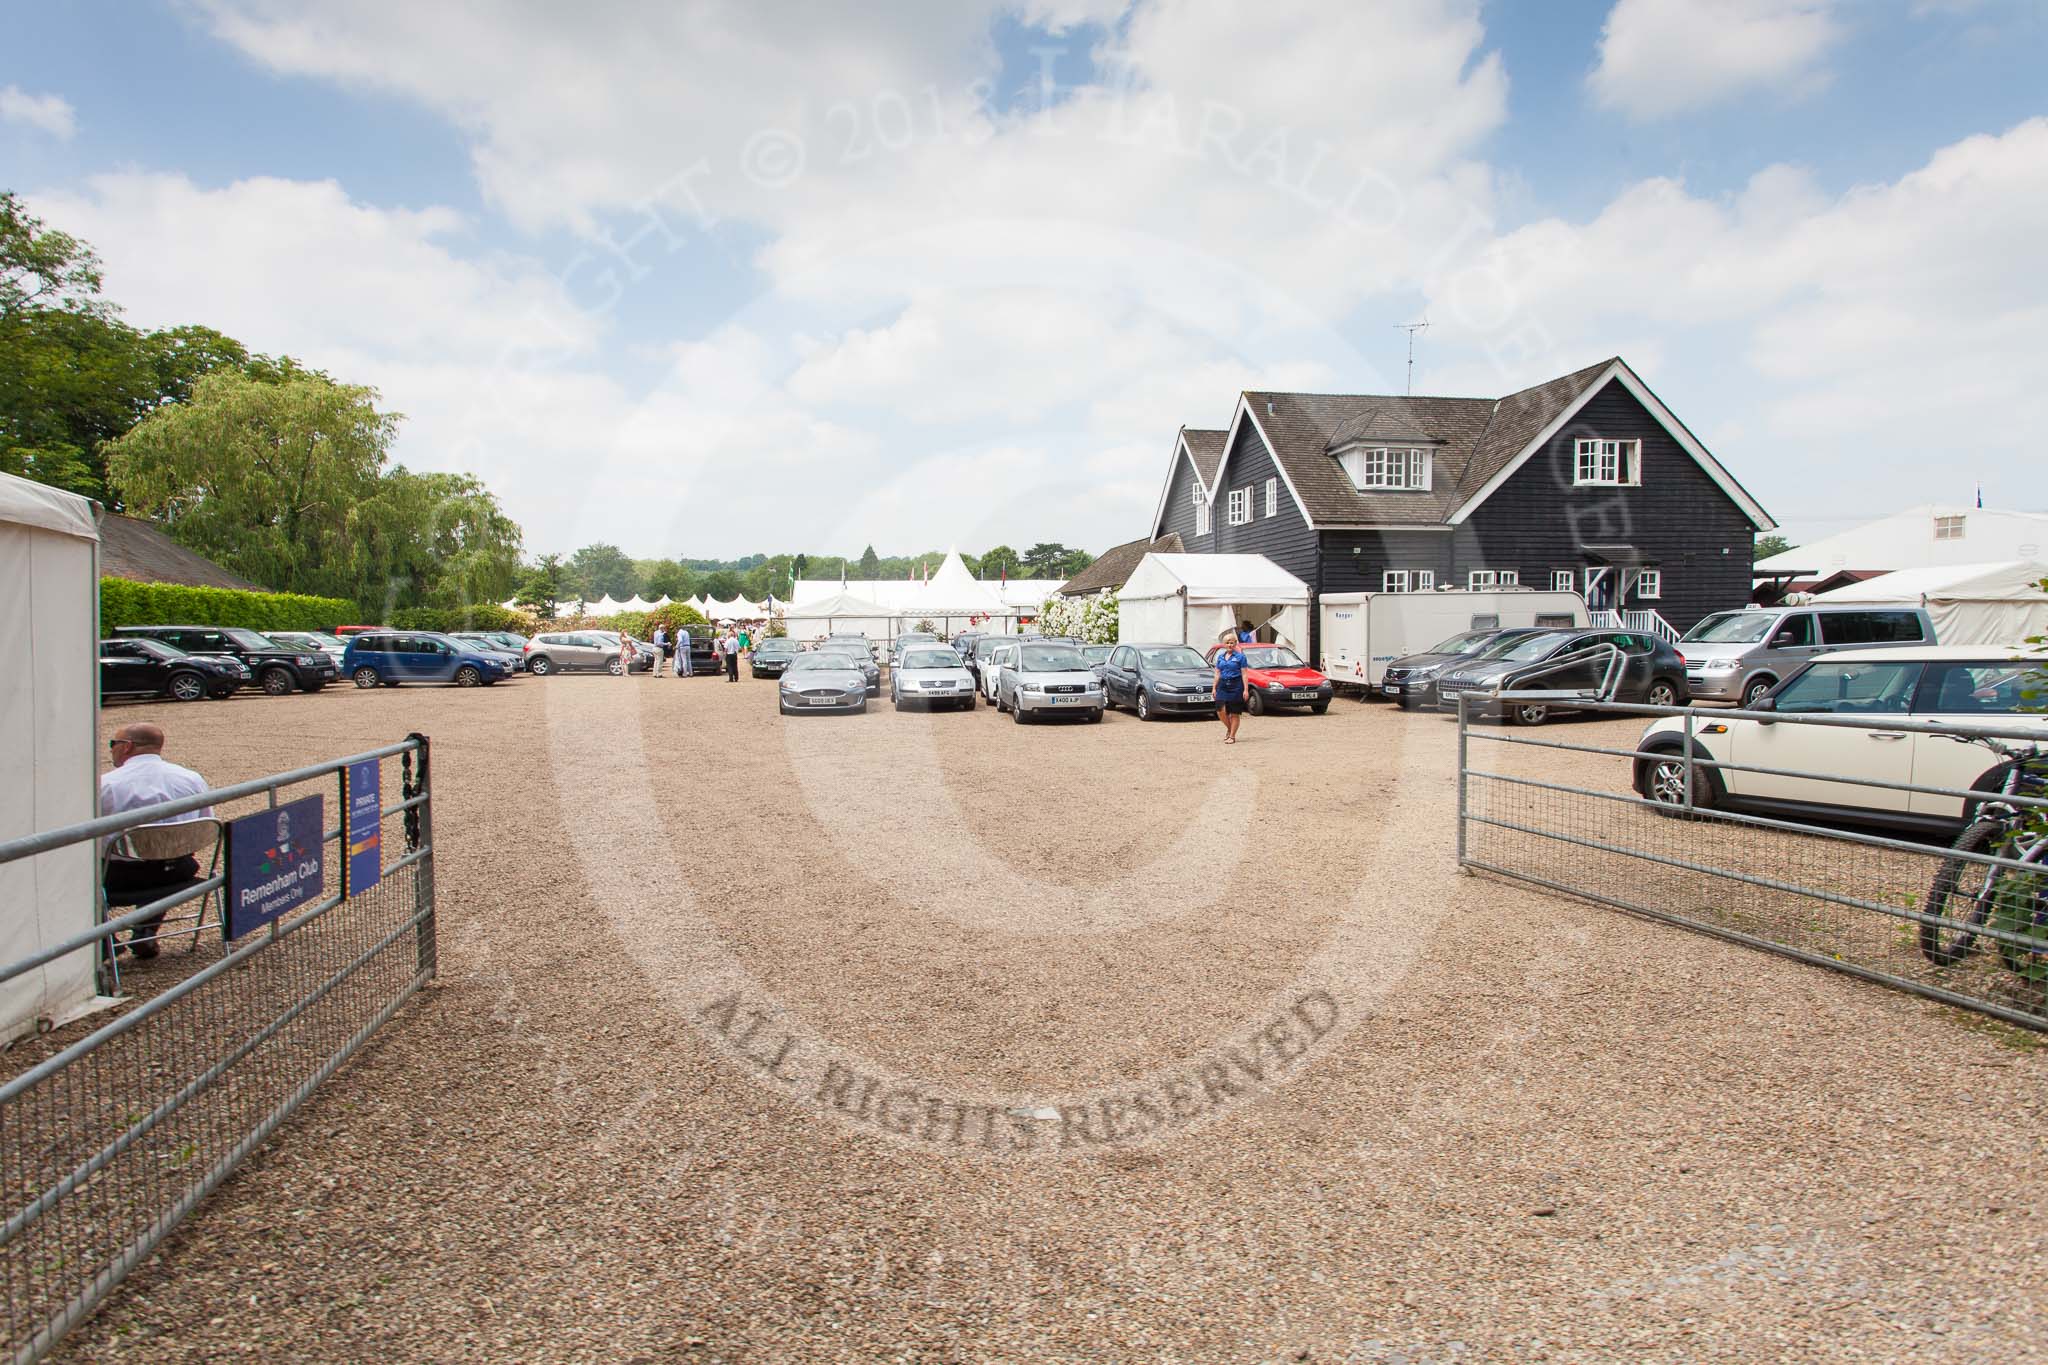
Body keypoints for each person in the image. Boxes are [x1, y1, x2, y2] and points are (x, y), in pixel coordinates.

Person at [99, 723, 214, 959]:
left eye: (113, 744)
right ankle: (146, 929)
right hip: (175, 872)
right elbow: (206, 827)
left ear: (127, 747)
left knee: (75, 876)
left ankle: (104, 940)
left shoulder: (107, 784)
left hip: (117, 878)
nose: (111, 750)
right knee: (159, 855)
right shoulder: (191, 779)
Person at [1213, 637, 1248, 744]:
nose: (1229, 645)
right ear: (1224, 644)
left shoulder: (1241, 657)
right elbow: (1217, 673)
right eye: (1227, 643)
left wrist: (1246, 689)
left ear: (1235, 643)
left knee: (1234, 713)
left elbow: (1244, 674)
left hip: (1236, 685)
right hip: (1222, 685)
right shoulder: (1220, 657)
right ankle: (1229, 728)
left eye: (1232, 643)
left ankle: (1232, 736)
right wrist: (1214, 687)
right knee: (1220, 710)